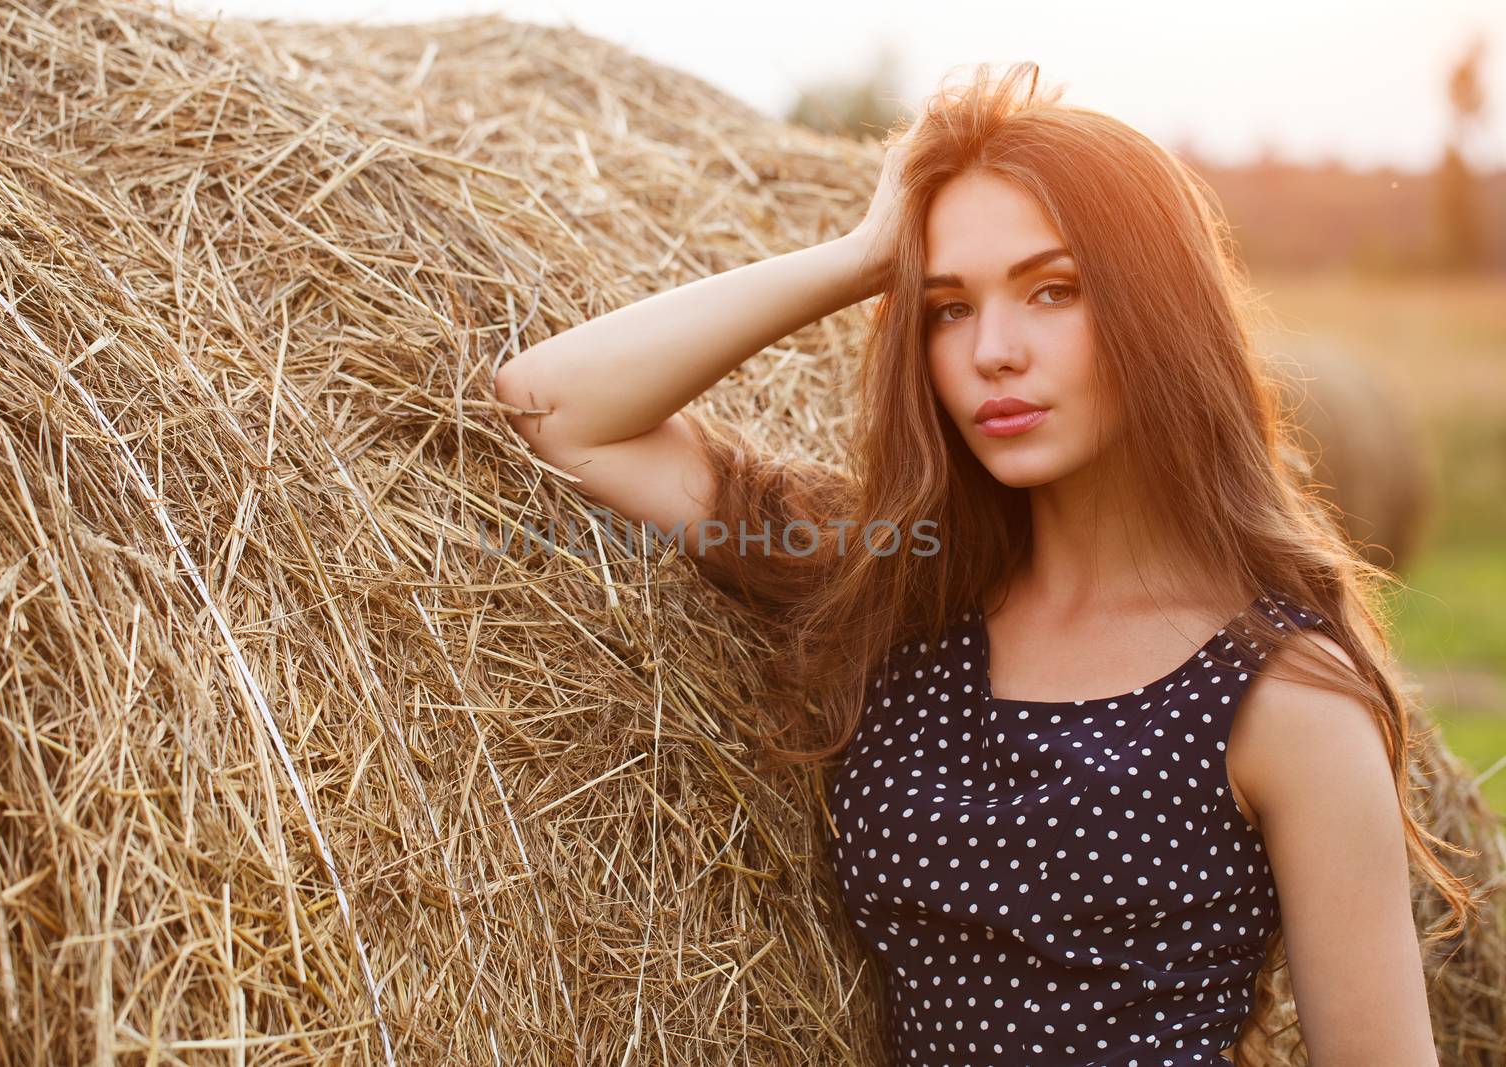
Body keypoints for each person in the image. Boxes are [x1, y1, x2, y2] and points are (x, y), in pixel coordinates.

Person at [492, 61, 1474, 1066]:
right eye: (949, 307)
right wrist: (864, 253)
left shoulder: (1284, 695)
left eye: (1052, 290)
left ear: (1157, 313)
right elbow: (552, 408)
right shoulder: (895, 587)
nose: (991, 350)